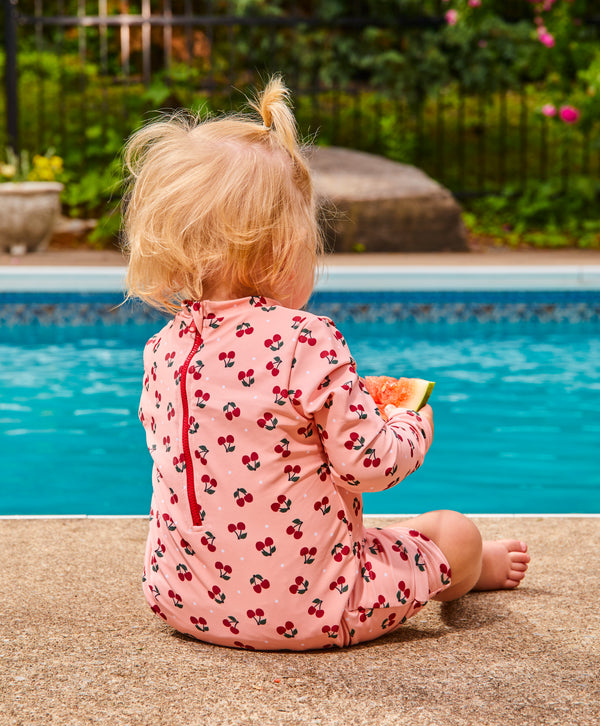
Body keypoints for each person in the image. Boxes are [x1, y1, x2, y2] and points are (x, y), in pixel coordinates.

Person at [123, 76, 530, 651]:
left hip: (179, 597)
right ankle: (468, 571)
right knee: (453, 530)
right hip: (314, 606)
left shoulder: (163, 347)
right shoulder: (306, 339)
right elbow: (372, 466)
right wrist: (412, 423)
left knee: (356, 530)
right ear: (282, 247)